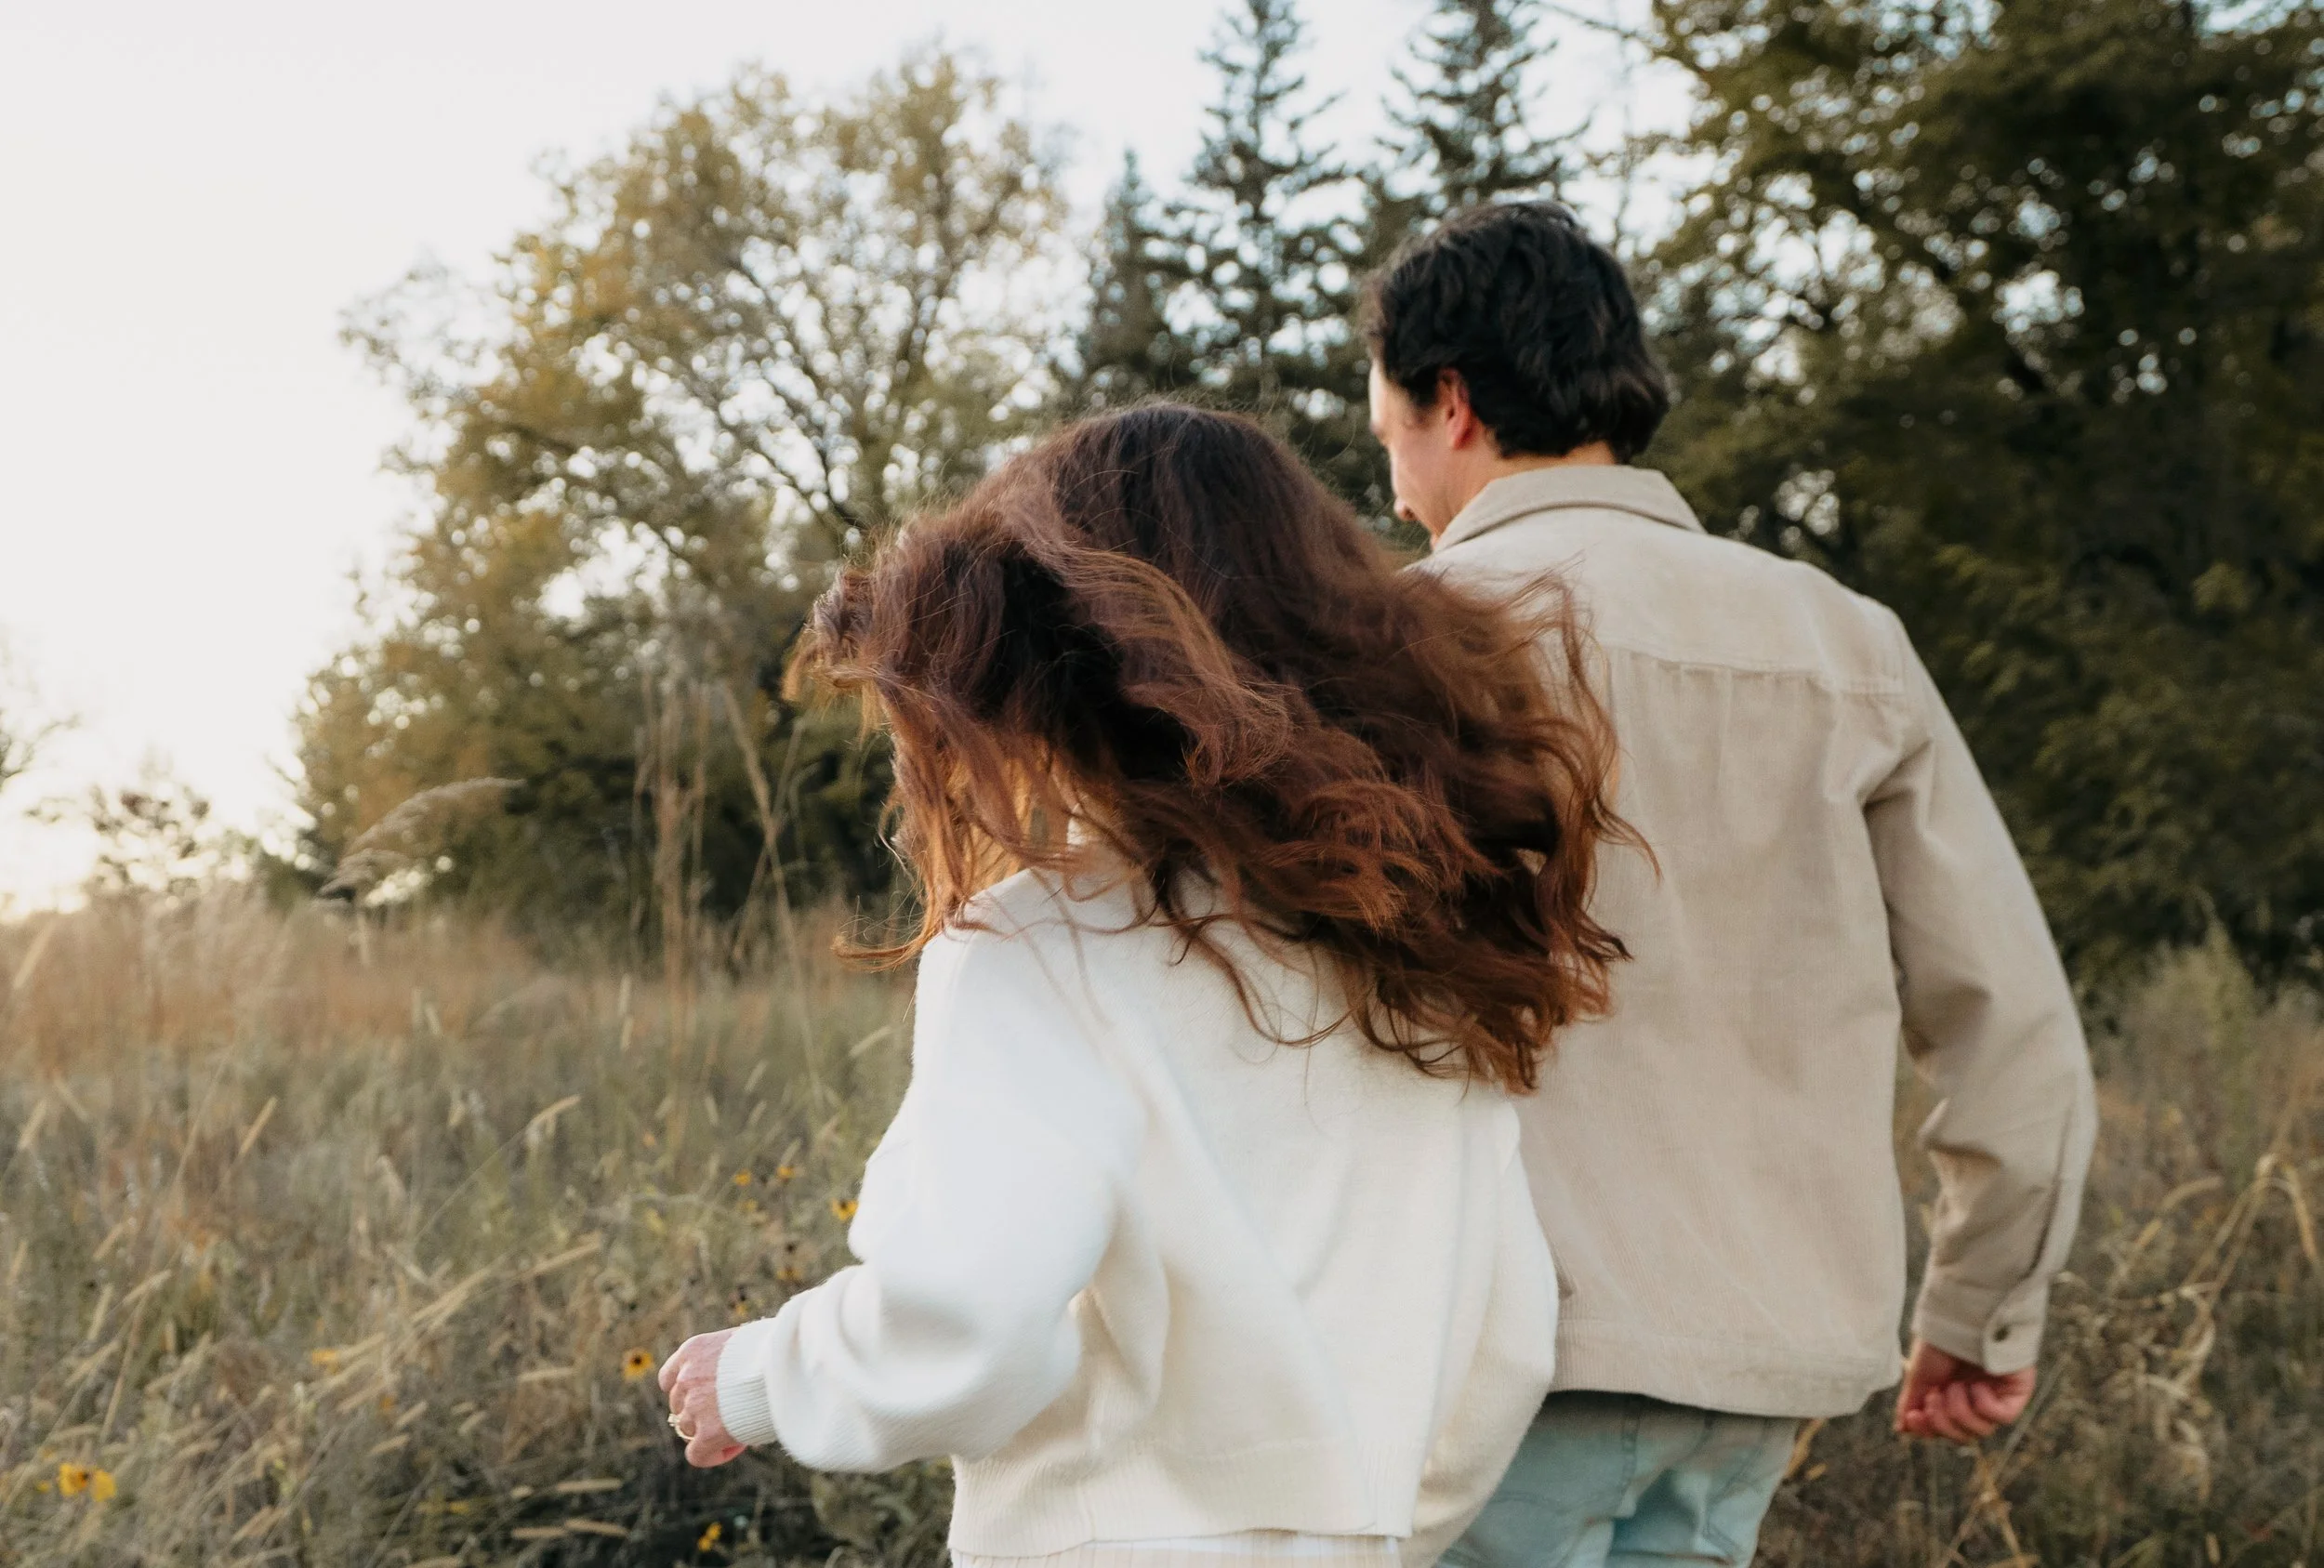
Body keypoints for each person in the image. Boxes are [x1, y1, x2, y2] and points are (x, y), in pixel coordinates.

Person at [658, 404, 1636, 1567]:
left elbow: (971, 1321)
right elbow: (1507, 1341)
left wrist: (768, 1373)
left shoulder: (1041, 942)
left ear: (1045, 656)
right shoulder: (1421, 942)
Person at [1361, 202, 2098, 1567]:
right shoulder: (1847, 640)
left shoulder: (1401, 646)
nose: (1396, 491)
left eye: (1391, 435)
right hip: (1755, 1378)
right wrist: (1982, 1302)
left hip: (1489, 1362)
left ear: (1451, 402)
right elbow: (2012, 1018)